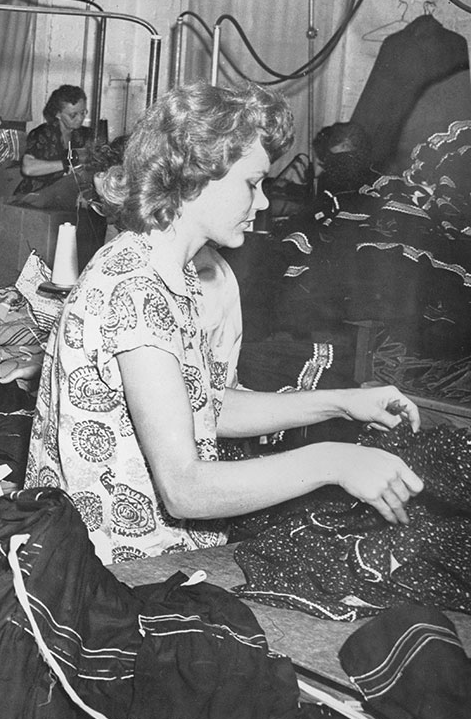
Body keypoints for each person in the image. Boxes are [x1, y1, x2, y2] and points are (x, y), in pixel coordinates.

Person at [25, 81, 424, 564]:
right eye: (252, 183)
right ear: (193, 176)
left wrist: (341, 403)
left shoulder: (171, 271)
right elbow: (184, 488)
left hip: (155, 548)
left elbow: (206, 407)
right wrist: (333, 462)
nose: (261, 203)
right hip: (117, 563)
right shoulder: (136, 286)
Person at [14, 84, 91, 201]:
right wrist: (67, 164)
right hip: (35, 195)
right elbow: (28, 168)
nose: (80, 118)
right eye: (73, 115)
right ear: (58, 114)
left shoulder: (85, 135)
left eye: (83, 112)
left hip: (65, 195)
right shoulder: (43, 134)